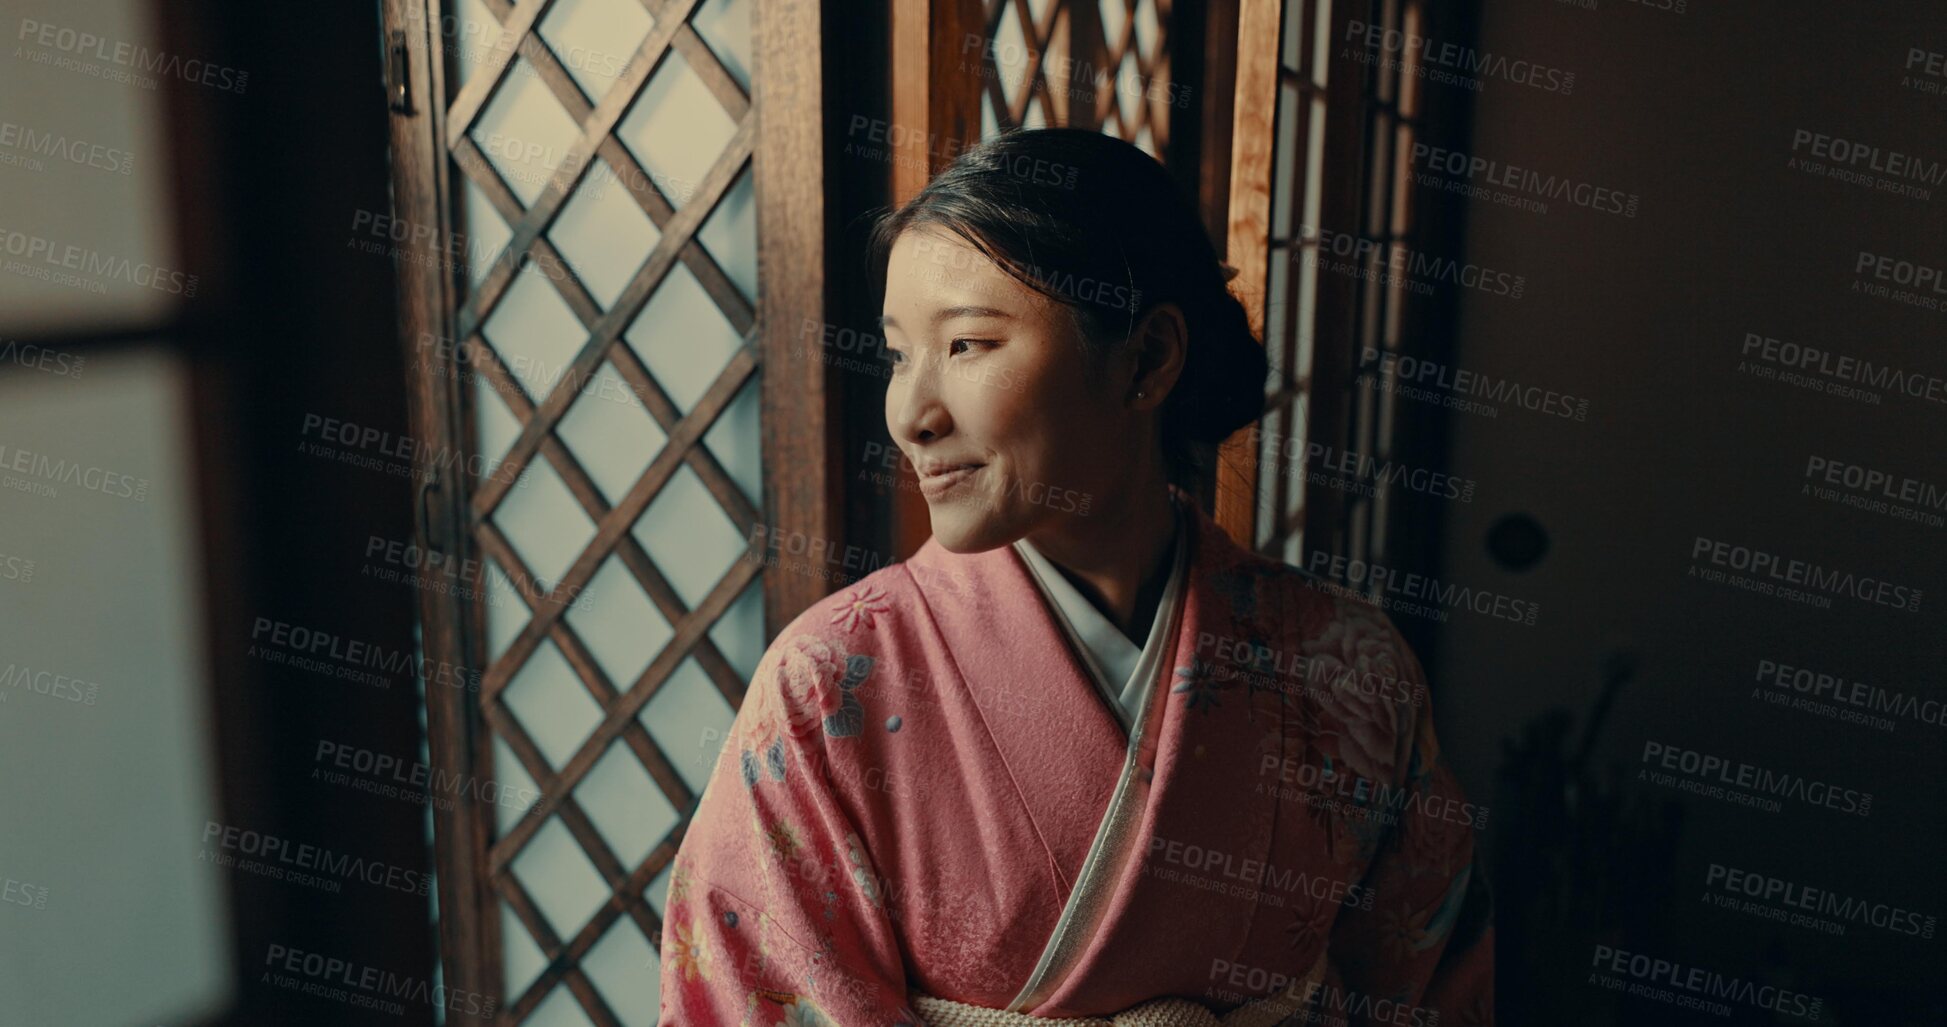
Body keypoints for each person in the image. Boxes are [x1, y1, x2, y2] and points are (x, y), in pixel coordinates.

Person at [657, 128, 1493, 1026]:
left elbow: (1423, 988)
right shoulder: (830, 682)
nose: (911, 412)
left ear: (1145, 360)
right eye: (900, 355)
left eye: (968, 344)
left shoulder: (1348, 669)